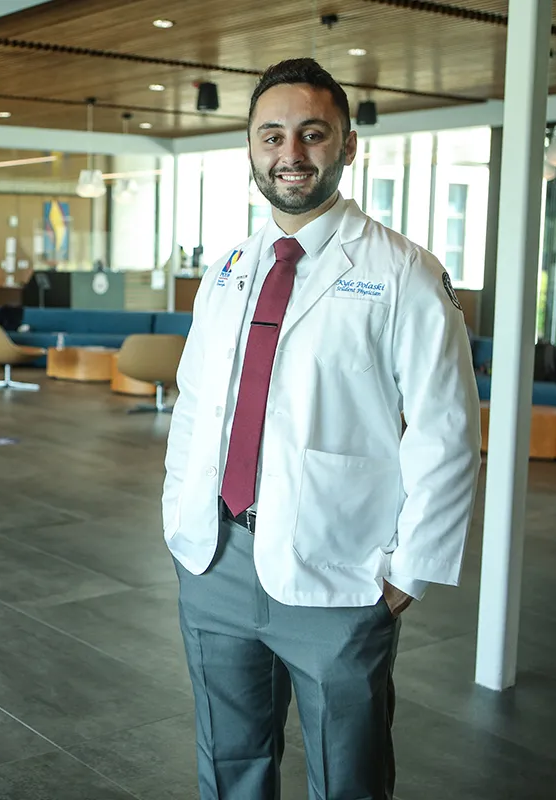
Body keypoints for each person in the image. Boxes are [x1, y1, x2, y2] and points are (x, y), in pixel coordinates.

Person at [162, 58, 480, 800]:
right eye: (272, 136)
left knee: (350, 777)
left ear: (348, 146)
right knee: (230, 763)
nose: (291, 154)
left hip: (342, 571)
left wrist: (409, 572)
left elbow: (446, 430)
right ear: (250, 148)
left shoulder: (404, 272)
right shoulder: (230, 266)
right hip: (215, 559)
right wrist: (179, 515)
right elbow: (195, 402)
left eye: (313, 134)